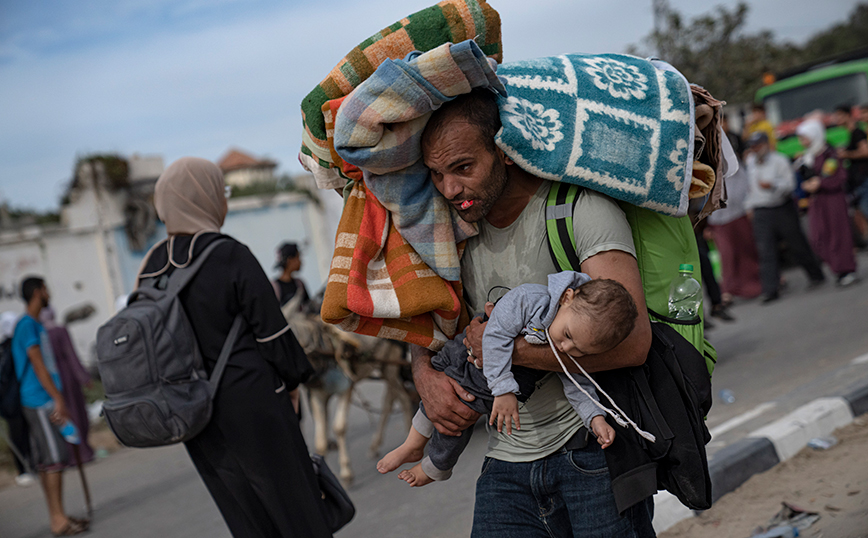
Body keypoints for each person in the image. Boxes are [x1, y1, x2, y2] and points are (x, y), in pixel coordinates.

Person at [411, 90, 655, 537]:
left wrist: (507, 349)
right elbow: (430, 331)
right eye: (436, 174)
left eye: (463, 168)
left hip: (591, 451)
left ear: (504, 151)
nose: (449, 189)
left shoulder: (580, 214)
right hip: (506, 461)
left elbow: (635, 343)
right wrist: (424, 375)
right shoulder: (448, 239)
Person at [138, 157, 331, 538]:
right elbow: (274, 334)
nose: (223, 201)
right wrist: (293, 384)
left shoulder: (152, 263)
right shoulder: (228, 253)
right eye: (220, 192)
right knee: (295, 509)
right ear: (206, 197)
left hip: (193, 411)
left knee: (244, 514)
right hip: (253, 402)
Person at [378, 274, 636, 487]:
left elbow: (577, 382)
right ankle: (413, 443)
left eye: (579, 351)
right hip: (468, 355)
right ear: (567, 298)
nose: (565, 348)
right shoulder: (529, 299)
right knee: (436, 388)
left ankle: (436, 466)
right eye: (567, 335)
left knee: (456, 414)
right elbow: (493, 334)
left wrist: (596, 418)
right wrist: (503, 391)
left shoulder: (567, 339)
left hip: (481, 382)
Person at [11, 277, 89, 536]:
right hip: (39, 400)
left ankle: (59, 515)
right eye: (45, 289)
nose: (49, 293)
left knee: (50, 460)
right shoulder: (26, 325)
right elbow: (37, 364)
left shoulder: (34, 325)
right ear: (37, 293)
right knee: (55, 459)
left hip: (43, 399)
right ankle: (58, 520)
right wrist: (57, 398)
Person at [744, 131, 826, 302]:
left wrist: (773, 185)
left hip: (781, 207)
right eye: (752, 146)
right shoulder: (750, 163)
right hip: (761, 210)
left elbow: (790, 185)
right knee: (765, 250)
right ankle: (770, 289)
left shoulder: (779, 160)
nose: (755, 149)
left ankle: (815, 274)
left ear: (766, 144)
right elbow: (749, 188)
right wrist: (749, 207)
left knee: (797, 244)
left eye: (758, 145)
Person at [797, 119, 859, 286]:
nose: (802, 141)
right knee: (818, 236)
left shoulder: (829, 154)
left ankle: (845, 269)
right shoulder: (808, 156)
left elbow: (836, 177)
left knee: (839, 235)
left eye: (805, 137)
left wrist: (820, 183)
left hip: (833, 199)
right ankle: (836, 267)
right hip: (817, 202)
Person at [707, 128, 762, 301]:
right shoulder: (706, 166)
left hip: (738, 213)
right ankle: (728, 289)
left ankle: (754, 283)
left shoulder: (733, 164)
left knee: (746, 249)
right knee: (727, 253)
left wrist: (748, 206)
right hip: (718, 218)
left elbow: (744, 185)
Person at [39, 307, 94, 466]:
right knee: (76, 413)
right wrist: (83, 377)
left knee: (63, 416)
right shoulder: (59, 331)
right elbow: (71, 354)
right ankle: (82, 452)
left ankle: (70, 455)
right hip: (67, 376)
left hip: (51, 379)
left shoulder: (42, 333)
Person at [0, 311, 36, 487]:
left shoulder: (7, 348)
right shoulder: (10, 350)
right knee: (20, 435)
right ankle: (23, 469)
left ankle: (28, 467)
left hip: (13, 400)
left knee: (23, 435)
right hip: (14, 400)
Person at [833, 105, 868, 241]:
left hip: (863, 177)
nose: (836, 119)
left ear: (848, 116)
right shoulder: (852, 132)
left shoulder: (857, 132)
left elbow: (865, 151)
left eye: (839, 116)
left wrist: (846, 154)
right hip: (857, 179)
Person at [272, 242, 310, 308]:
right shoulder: (276, 287)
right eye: (298, 257)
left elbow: (309, 306)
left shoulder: (299, 284)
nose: (300, 261)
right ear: (290, 260)